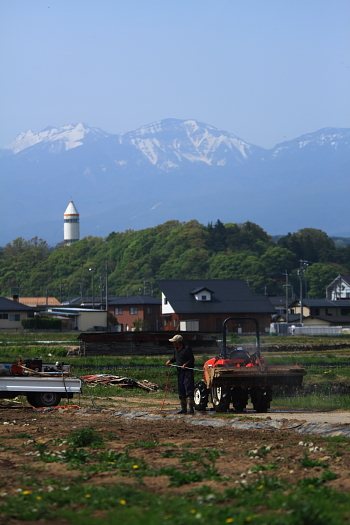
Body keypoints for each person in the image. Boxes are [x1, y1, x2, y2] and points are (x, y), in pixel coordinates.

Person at [166, 334, 195, 414]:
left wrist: (186, 364)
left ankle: (191, 408)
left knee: (188, 389)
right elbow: (176, 358)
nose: (173, 343)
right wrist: (170, 361)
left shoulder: (187, 349)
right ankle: (183, 408)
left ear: (178, 342)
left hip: (187, 372)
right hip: (180, 372)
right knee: (181, 389)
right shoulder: (176, 349)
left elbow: (191, 359)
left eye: (174, 342)